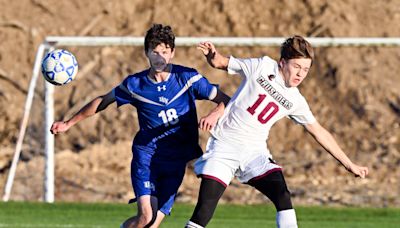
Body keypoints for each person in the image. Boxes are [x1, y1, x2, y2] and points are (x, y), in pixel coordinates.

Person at [50, 24, 229, 228]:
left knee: (151, 225)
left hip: (177, 161)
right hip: (148, 157)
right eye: (154, 51)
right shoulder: (135, 84)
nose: (159, 57)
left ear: (172, 53)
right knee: (146, 217)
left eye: (164, 51)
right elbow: (103, 101)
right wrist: (68, 123)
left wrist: (215, 114)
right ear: (146, 53)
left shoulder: (188, 78)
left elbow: (228, 100)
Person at [185, 36, 369, 228]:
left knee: (282, 196)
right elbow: (221, 62)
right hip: (224, 147)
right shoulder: (262, 66)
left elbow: (318, 131)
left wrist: (349, 164)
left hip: (254, 154)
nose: (301, 74)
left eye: (305, 69)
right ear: (282, 63)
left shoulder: (296, 100)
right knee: (204, 211)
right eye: (297, 66)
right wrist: (213, 56)